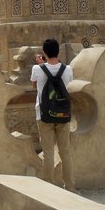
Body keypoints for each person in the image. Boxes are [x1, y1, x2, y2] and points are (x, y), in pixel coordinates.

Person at [31, 38, 75, 191]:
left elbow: (34, 85)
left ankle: (49, 187)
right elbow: (69, 84)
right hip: (63, 113)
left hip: (44, 114)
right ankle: (69, 186)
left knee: (48, 152)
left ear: (44, 53)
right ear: (58, 52)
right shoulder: (68, 69)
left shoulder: (37, 69)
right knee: (65, 152)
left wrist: (40, 64)